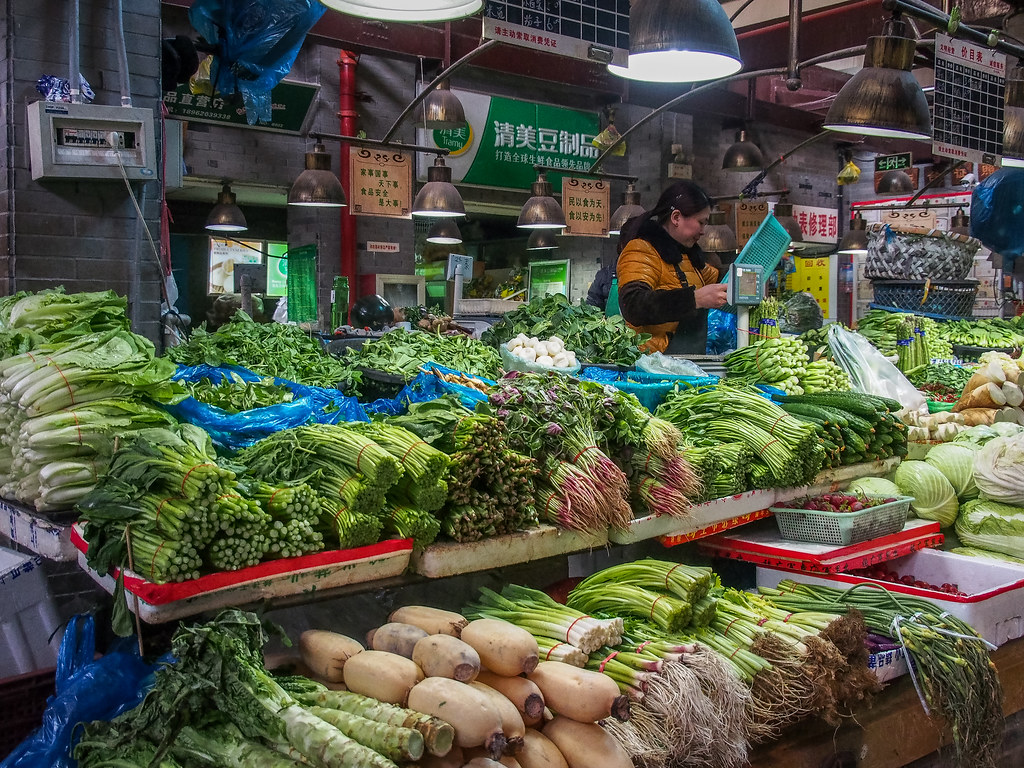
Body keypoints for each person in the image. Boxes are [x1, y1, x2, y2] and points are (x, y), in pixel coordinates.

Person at [616, 180, 729, 354]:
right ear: (676, 217)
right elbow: (633, 304)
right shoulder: (641, 250)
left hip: (685, 361)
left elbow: (718, 278)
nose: (703, 231)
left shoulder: (688, 257)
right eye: (701, 222)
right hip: (653, 365)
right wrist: (694, 299)